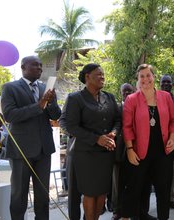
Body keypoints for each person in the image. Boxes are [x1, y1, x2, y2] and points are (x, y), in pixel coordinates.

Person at [1, 55, 61, 220]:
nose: (40, 68)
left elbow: (56, 115)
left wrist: (52, 102)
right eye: (35, 65)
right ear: (23, 67)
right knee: (19, 194)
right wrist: (39, 104)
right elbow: (9, 115)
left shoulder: (45, 88)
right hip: (21, 150)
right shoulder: (10, 88)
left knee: (42, 194)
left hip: (44, 149)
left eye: (41, 65)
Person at [64, 63, 121, 220]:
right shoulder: (75, 98)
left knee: (102, 192)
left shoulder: (109, 97)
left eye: (103, 74)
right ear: (87, 76)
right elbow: (71, 127)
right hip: (86, 155)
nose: (102, 77)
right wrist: (97, 139)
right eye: (98, 74)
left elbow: (117, 119)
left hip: (105, 154)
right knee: (90, 193)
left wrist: (113, 133)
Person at [121, 64, 174, 220]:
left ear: (154, 77)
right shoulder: (131, 100)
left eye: (148, 75)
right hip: (139, 153)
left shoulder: (166, 97)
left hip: (163, 153)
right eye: (142, 76)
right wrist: (130, 149)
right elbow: (126, 127)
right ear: (138, 80)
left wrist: (172, 139)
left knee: (163, 191)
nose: (145, 79)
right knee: (135, 190)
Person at [111, 83, 136, 220]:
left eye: (129, 91)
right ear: (121, 93)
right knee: (117, 184)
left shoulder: (137, 106)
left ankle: (132, 210)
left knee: (133, 182)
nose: (127, 93)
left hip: (135, 151)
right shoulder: (116, 108)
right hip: (118, 152)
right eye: (124, 91)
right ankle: (117, 210)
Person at [159, 74, 174, 209]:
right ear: (159, 84)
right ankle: (161, 198)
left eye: (168, 82)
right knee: (159, 172)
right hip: (158, 143)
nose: (166, 84)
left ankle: (171, 198)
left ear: (172, 85)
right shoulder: (155, 97)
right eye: (163, 82)